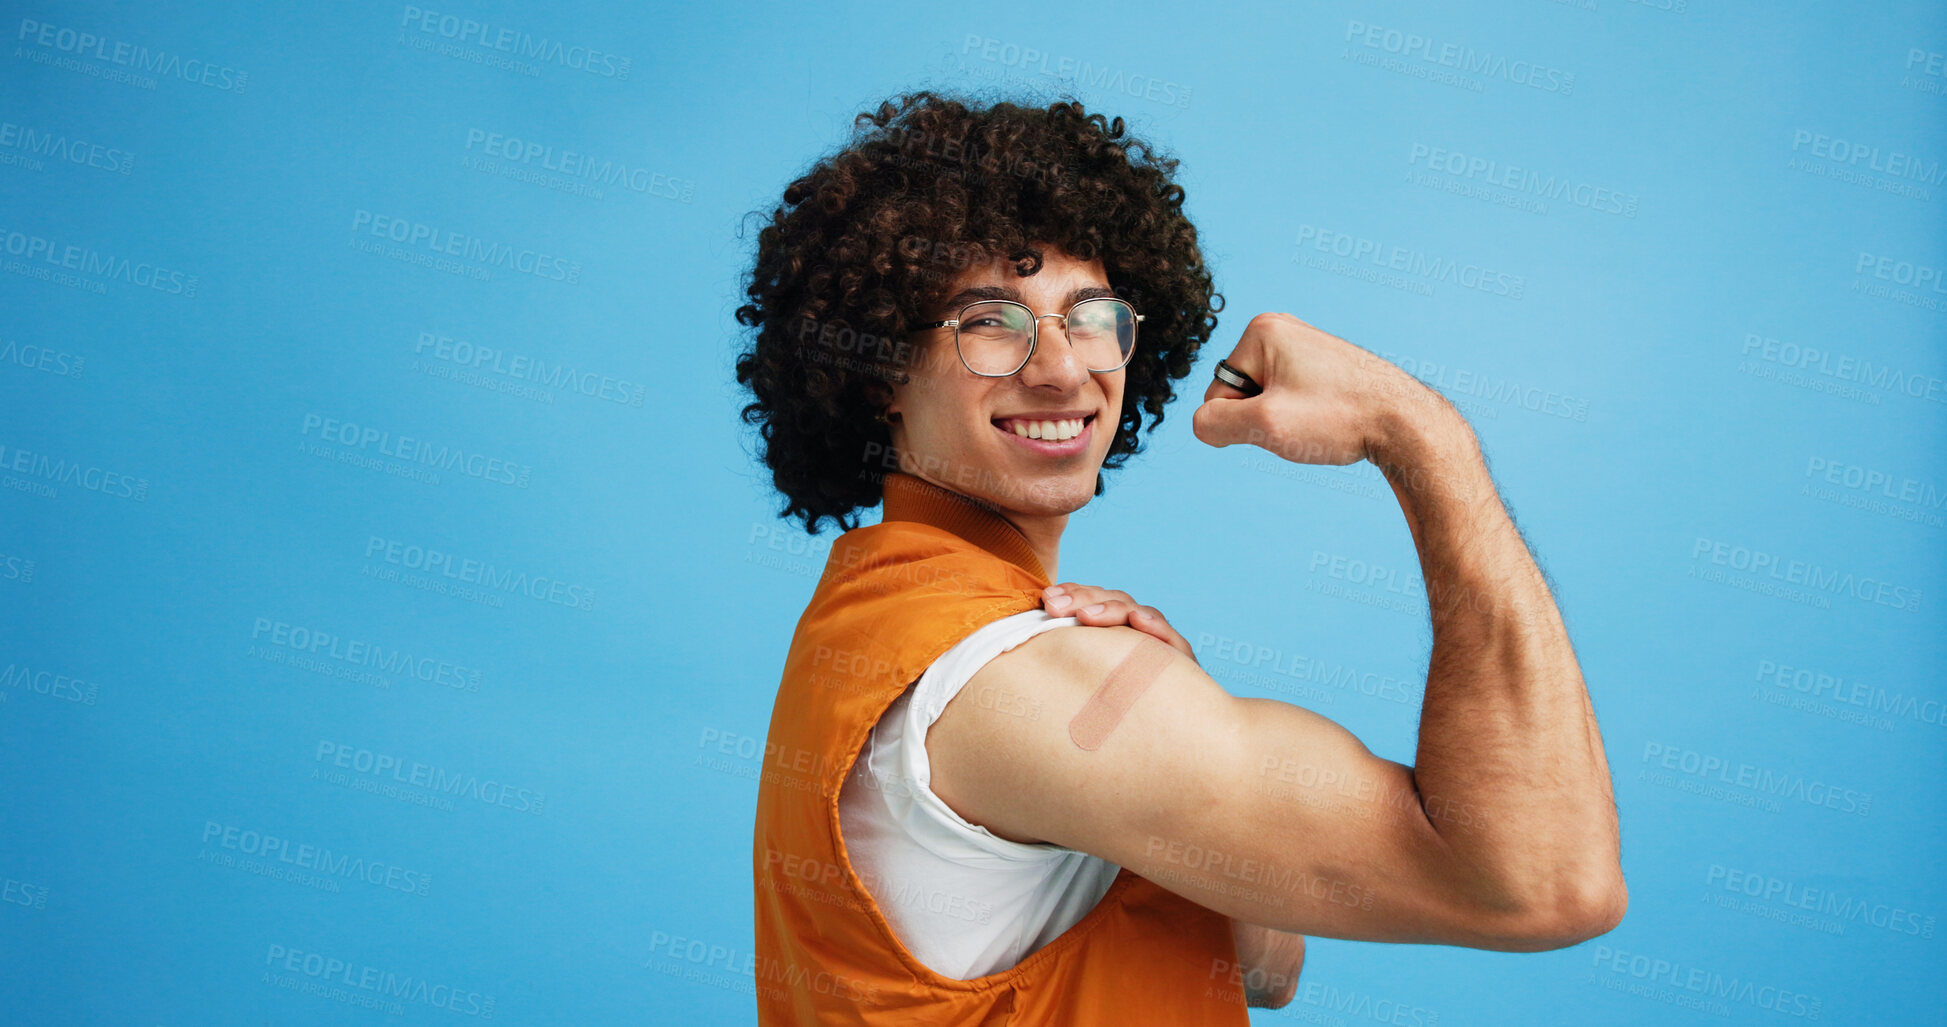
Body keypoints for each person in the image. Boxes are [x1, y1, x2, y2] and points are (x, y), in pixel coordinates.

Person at [734, 90, 1625, 1025]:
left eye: (1089, 315)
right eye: (989, 322)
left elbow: (1264, 968)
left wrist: (1173, 707)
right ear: (880, 371)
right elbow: (1548, 883)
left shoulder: (886, 622)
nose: (1061, 367)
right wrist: (1419, 435)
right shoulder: (1016, 680)